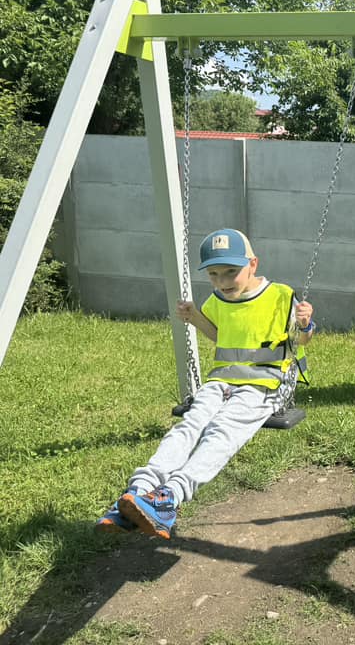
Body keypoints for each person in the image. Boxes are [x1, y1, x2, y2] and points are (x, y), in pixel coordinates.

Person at [95, 228, 315, 538]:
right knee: (189, 425)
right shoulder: (218, 299)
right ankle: (138, 492)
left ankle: (169, 497)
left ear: (253, 264)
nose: (223, 281)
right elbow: (219, 334)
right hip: (221, 381)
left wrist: (304, 324)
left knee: (221, 431)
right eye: (214, 274)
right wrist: (195, 317)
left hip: (265, 385)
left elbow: (301, 340)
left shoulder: (280, 295)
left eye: (230, 272)